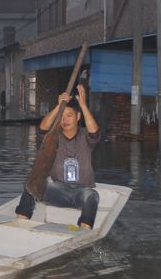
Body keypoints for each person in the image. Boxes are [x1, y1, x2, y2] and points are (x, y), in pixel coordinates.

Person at [16, 83, 101, 229]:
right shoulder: (54, 137)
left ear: (78, 117)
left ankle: (84, 231)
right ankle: (20, 223)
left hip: (81, 191)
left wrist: (83, 105)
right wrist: (58, 107)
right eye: (62, 116)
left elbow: (95, 132)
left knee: (91, 196)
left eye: (69, 116)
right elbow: (42, 128)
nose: (65, 120)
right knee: (32, 187)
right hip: (58, 190)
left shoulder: (84, 137)